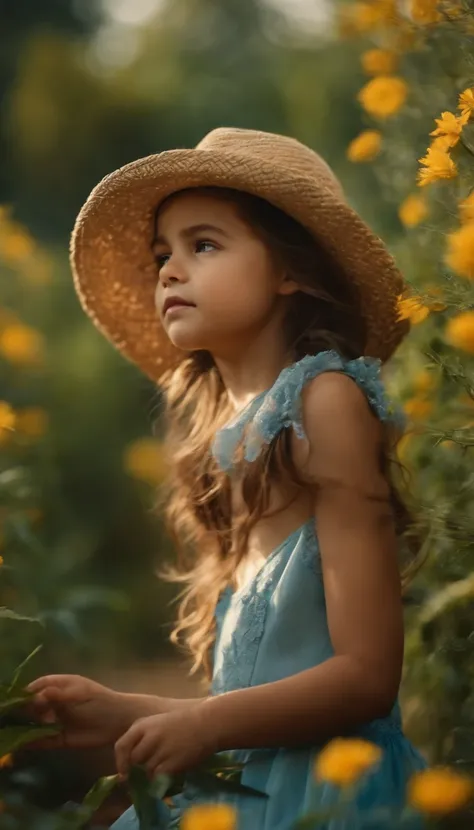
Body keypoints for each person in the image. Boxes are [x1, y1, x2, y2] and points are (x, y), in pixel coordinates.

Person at [28, 127, 427, 829]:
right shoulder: (232, 442)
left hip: (330, 796)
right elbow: (262, 700)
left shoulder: (324, 404)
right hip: (253, 788)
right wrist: (128, 712)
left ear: (289, 271)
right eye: (163, 254)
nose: (168, 272)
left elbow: (366, 679)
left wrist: (206, 727)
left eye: (202, 245)